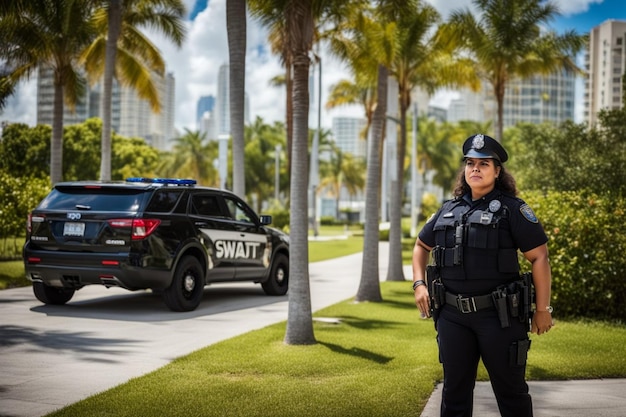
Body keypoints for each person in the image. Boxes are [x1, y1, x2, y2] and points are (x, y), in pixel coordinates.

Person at [412, 133, 553, 417]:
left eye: (484, 163)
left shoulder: (512, 210)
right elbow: (420, 245)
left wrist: (542, 309)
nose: (475, 168)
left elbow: (539, 257)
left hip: (498, 317)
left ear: (497, 171)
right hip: (452, 317)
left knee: (511, 392)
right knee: (454, 393)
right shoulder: (448, 209)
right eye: (470, 163)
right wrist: (419, 284)